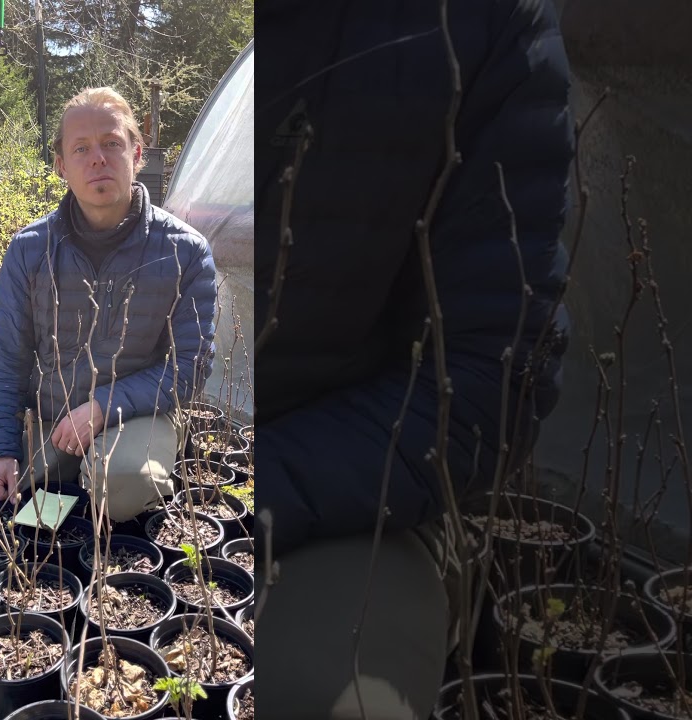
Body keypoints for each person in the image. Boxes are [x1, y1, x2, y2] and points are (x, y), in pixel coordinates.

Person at [257, 0, 574, 717]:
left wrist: (261, 484)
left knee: (336, 697)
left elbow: (486, 383)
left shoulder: (487, 27)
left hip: (362, 497)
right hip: (226, 452)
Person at [0, 87, 219, 523]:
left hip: (135, 419)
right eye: (81, 148)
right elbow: (5, 359)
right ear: (62, 166)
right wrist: (3, 449)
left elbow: (189, 365)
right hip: (53, 423)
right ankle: (65, 482)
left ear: (136, 153)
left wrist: (104, 405)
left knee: (120, 483)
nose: (97, 158)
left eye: (112, 143)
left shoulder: (185, 251)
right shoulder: (30, 250)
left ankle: (111, 485)